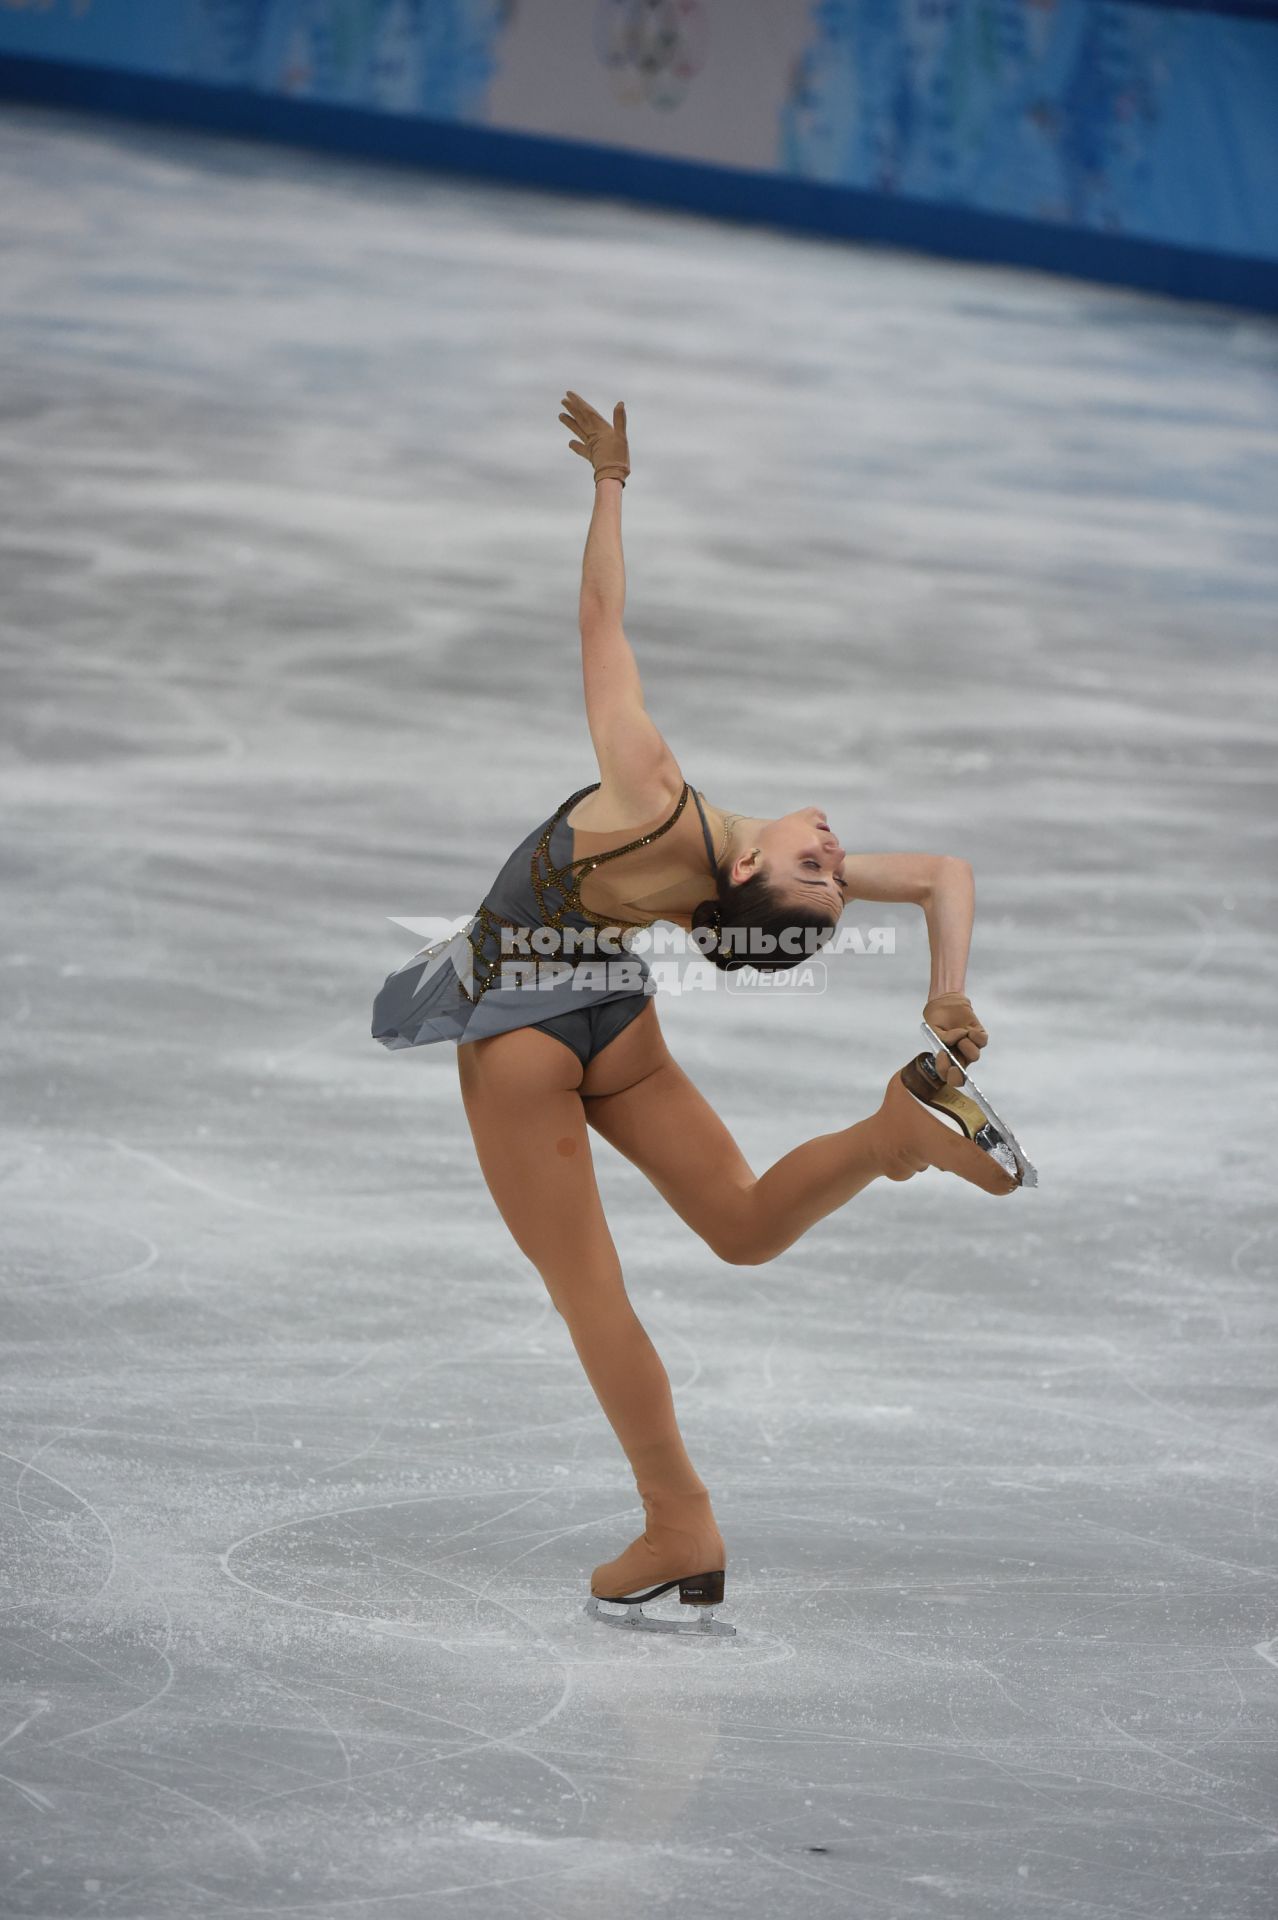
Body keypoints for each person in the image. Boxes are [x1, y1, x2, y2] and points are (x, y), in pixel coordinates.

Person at [371, 391, 1021, 1632]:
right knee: (741, 1226)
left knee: (595, 1289)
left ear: (744, 880)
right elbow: (943, 877)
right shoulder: (709, 856)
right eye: (829, 870)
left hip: (521, 1034)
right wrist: (944, 982)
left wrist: (612, 484)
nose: (834, 850)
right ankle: (892, 1134)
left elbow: (600, 617)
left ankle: (677, 1519)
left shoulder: (656, 793)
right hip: (614, 1016)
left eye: (818, 873)